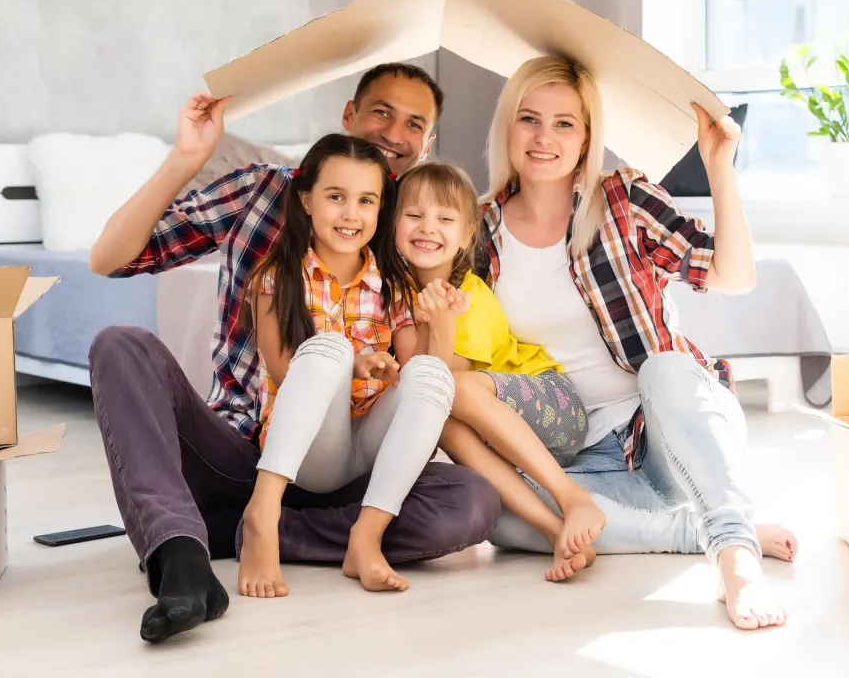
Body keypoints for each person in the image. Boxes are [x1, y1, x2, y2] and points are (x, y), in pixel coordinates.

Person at [87, 63, 500, 644]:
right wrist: (184, 158)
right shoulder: (263, 194)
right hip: (243, 442)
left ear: (425, 144)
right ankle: (181, 557)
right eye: (381, 111)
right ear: (349, 115)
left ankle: (245, 531)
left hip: (354, 461)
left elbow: (426, 364)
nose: (393, 131)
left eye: (414, 123)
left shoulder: (410, 231)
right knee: (121, 346)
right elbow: (109, 258)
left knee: (473, 501)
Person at [478, 56, 795, 630]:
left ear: (587, 137)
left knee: (663, 369)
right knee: (494, 509)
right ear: (508, 128)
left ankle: (734, 552)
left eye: (564, 123)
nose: (544, 137)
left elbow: (733, 276)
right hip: (579, 457)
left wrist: (720, 168)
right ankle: (692, 532)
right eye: (529, 119)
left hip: (667, 429)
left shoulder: (622, 200)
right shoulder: (479, 232)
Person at [238, 134, 455, 597]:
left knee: (433, 373)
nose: (351, 214)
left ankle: (366, 536)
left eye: (366, 200)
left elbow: (419, 382)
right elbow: (282, 371)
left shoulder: (393, 283)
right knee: (332, 349)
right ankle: (263, 512)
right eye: (336, 197)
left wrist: (438, 325)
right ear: (307, 201)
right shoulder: (276, 276)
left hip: (370, 447)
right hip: (312, 453)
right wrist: (354, 364)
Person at [391, 162, 606, 582]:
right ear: (395, 224)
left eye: (445, 219)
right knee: (444, 427)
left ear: (467, 234)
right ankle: (553, 532)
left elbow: (444, 381)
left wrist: (442, 322)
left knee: (453, 393)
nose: (427, 228)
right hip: (497, 431)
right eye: (414, 216)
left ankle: (571, 496)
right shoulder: (400, 297)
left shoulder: (470, 296)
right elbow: (417, 385)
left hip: (555, 408)